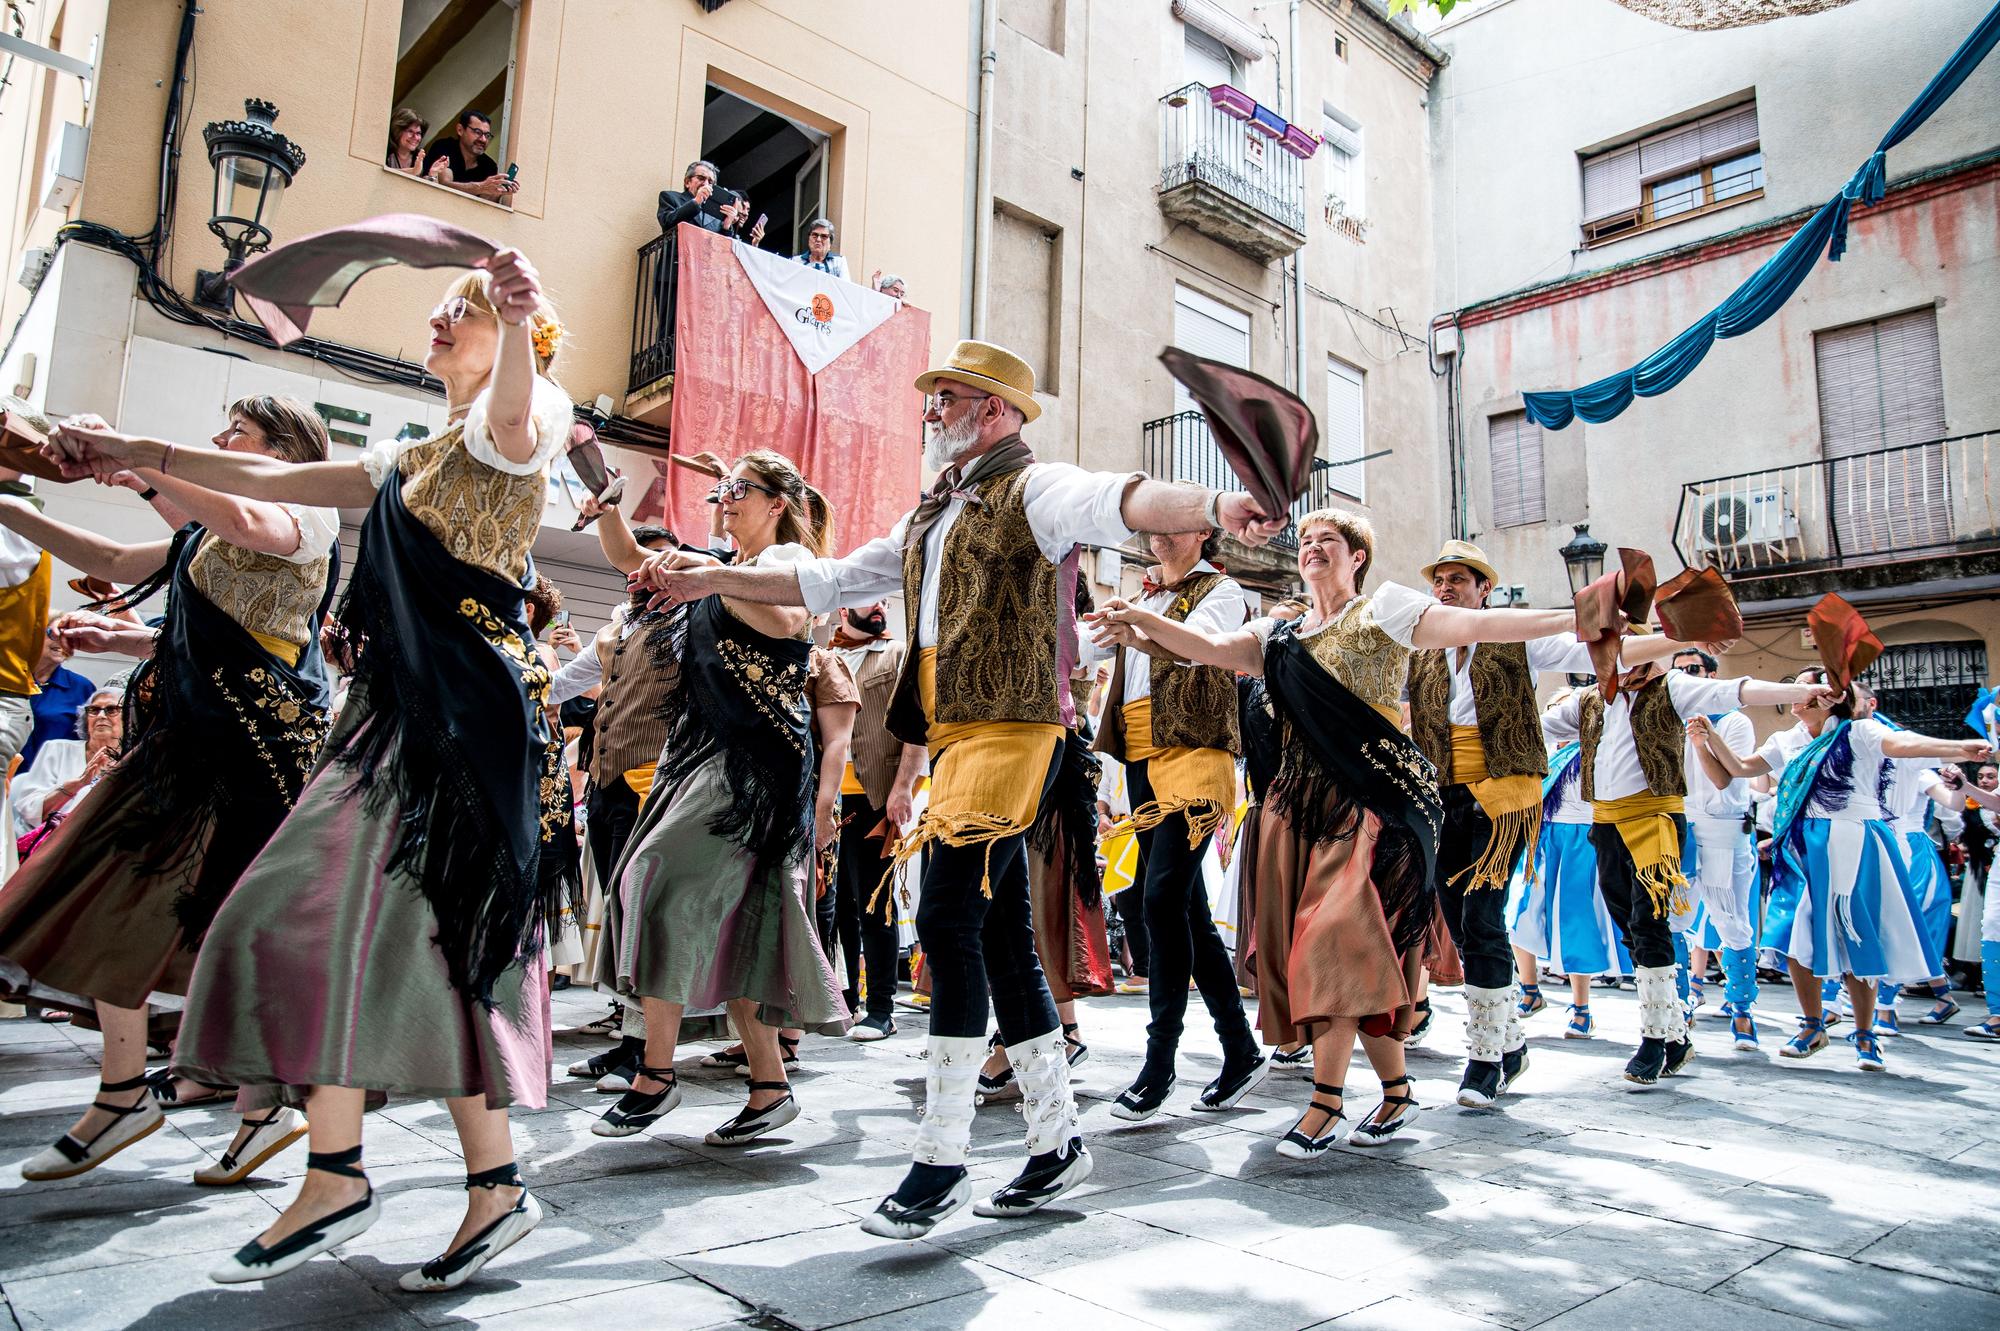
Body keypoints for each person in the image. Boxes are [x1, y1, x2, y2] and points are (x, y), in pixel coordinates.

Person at [635, 338, 1287, 1237]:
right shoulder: (931, 515)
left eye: (945, 397)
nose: (930, 410)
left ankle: (941, 1155)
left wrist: (1217, 502)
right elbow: (826, 576)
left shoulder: (1035, 485)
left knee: (945, 918)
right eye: (933, 396)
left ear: (995, 410)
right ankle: (1056, 1143)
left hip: (1014, 733)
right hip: (958, 737)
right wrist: (706, 574)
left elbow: (1121, 498)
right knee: (999, 932)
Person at [46, 251, 574, 1289]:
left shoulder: (517, 429)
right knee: (389, 939)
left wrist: (514, 323)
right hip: (389, 718)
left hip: (463, 725)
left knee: (340, 922)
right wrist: (135, 452)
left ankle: (352, 1172)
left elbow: (518, 418)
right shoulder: (413, 455)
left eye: (456, 309)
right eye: (449, 304)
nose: (437, 315)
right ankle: (469, 1185)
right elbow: (274, 478)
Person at [1089, 510, 1599, 1155]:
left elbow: (1476, 624)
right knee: (1352, 956)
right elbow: (1212, 650)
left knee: (1331, 941)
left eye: (1327, 540)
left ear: (1358, 556)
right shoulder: (1279, 634)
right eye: (1304, 542)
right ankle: (1396, 1091)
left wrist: (1574, 617)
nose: (1311, 550)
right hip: (1296, 812)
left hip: (1371, 809)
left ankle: (1325, 1101)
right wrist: (1139, 620)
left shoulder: (1386, 611)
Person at [0, 394, 340, 1187]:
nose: (219, 440)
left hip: (258, 756)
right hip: (183, 743)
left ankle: (259, 1109)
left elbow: (255, 531)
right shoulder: (200, 531)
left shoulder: (306, 513)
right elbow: (120, 564)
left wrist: (147, 465)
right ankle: (127, 1089)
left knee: (242, 931)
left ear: (284, 452)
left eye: (240, 434)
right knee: (99, 890)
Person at [591, 452, 848, 1147]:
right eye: (721, 490)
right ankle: (769, 1087)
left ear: (777, 502)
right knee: (740, 921)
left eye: (739, 490)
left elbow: (790, 613)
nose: (724, 501)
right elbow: (627, 555)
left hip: (752, 766)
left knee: (653, 876)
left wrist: (707, 578)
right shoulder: (718, 560)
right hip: (698, 754)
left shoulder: (790, 560)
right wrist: (609, 500)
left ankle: (655, 1073)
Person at [1404, 541, 1625, 1110]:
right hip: (1442, 794)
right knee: (1460, 920)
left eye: (1459, 579)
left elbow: (1607, 644)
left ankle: (1483, 1057)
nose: (1446, 587)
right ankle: (1511, 1043)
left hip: (1502, 795)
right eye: (1440, 580)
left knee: (1480, 916)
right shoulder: (1420, 650)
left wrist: (1681, 635)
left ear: (1485, 590)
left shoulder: (1518, 638)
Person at [1543, 655, 1831, 1087]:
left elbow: (1739, 689)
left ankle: (1657, 1038)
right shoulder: (1589, 700)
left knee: (1651, 924)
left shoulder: (1673, 687)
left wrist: (1802, 692)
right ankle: (1675, 1037)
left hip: (1655, 822)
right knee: (1631, 929)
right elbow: (1534, 723)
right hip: (1605, 825)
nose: (1621, 663)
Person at [1693, 671, 1990, 1067]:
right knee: (1792, 937)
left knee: (1857, 933)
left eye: (1805, 687)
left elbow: (1903, 743)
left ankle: (1866, 1034)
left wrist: (1958, 748)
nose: (1796, 694)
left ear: (1829, 697)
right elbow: (1738, 769)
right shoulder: (1787, 740)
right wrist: (1706, 740)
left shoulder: (1858, 733)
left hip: (1853, 839)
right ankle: (1813, 1025)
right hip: (1801, 846)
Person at [1094, 523, 1264, 1122]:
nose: (1156, 535)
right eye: (1151, 527)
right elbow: (1091, 652)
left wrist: (1134, 623)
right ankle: (1239, 1047)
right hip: (1141, 758)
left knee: (1161, 899)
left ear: (1201, 532)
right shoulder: (1141, 599)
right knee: (1184, 906)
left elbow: (1201, 644)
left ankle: (1159, 1061)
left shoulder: (1223, 590)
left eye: (1172, 525)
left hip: (1195, 755)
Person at [548, 509, 680, 1091]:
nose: (637, 575)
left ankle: (644, 1048)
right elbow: (564, 683)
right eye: (632, 567)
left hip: (655, 784)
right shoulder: (615, 626)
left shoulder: (688, 622)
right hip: (606, 786)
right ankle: (628, 1034)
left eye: (649, 564)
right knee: (621, 913)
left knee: (645, 914)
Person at [829, 603, 924, 1040]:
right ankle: (846, 998)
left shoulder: (898, 654)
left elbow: (915, 726)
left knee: (875, 904)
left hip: (876, 796)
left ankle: (882, 1008)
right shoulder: (824, 658)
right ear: (845, 609)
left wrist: (903, 787)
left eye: (886, 600)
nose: (881, 608)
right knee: (836, 907)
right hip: (827, 799)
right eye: (873, 601)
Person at [1509, 710, 1631, 1039]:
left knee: (1575, 922)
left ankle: (1582, 1008)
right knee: (1521, 917)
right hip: (1543, 838)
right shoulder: (1548, 752)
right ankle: (1530, 990)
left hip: (1581, 842)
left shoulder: (1594, 754)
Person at [1676, 647, 1764, 1051]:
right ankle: (1677, 1009)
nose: (1686, 678)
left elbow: (1725, 779)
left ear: (1712, 675)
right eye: (1678, 673)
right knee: (1673, 920)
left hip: (1724, 827)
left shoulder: (1735, 721)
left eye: (1693, 670)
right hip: (1680, 824)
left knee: (1731, 920)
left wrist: (1700, 742)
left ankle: (1741, 1008)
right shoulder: (1668, 719)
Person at [12, 685, 123, 835]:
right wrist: (74, 787)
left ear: (130, 717)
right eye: (94, 710)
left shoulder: (135, 759)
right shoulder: (57, 750)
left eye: (111, 709)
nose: (101, 716)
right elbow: (29, 811)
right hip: (46, 841)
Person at [423, 111, 516, 205]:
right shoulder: (445, 146)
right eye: (477, 132)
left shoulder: (489, 165)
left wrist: (498, 191)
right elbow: (445, 185)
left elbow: (485, 204)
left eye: (487, 135)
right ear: (460, 130)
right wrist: (480, 187)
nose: (483, 139)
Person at [657, 160, 725, 236]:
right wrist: (696, 202)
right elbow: (667, 222)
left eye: (710, 182)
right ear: (687, 182)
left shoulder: (715, 212)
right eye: (701, 178)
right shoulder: (669, 197)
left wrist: (727, 226)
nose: (706, 184)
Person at [386, 107, 427, 174]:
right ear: (397, 131)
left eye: (418, 133)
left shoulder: (421, 157)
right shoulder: (385, 153)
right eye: (410, 131)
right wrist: (413, 171)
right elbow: (381, 173)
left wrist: (433, 174)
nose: (415, 137)